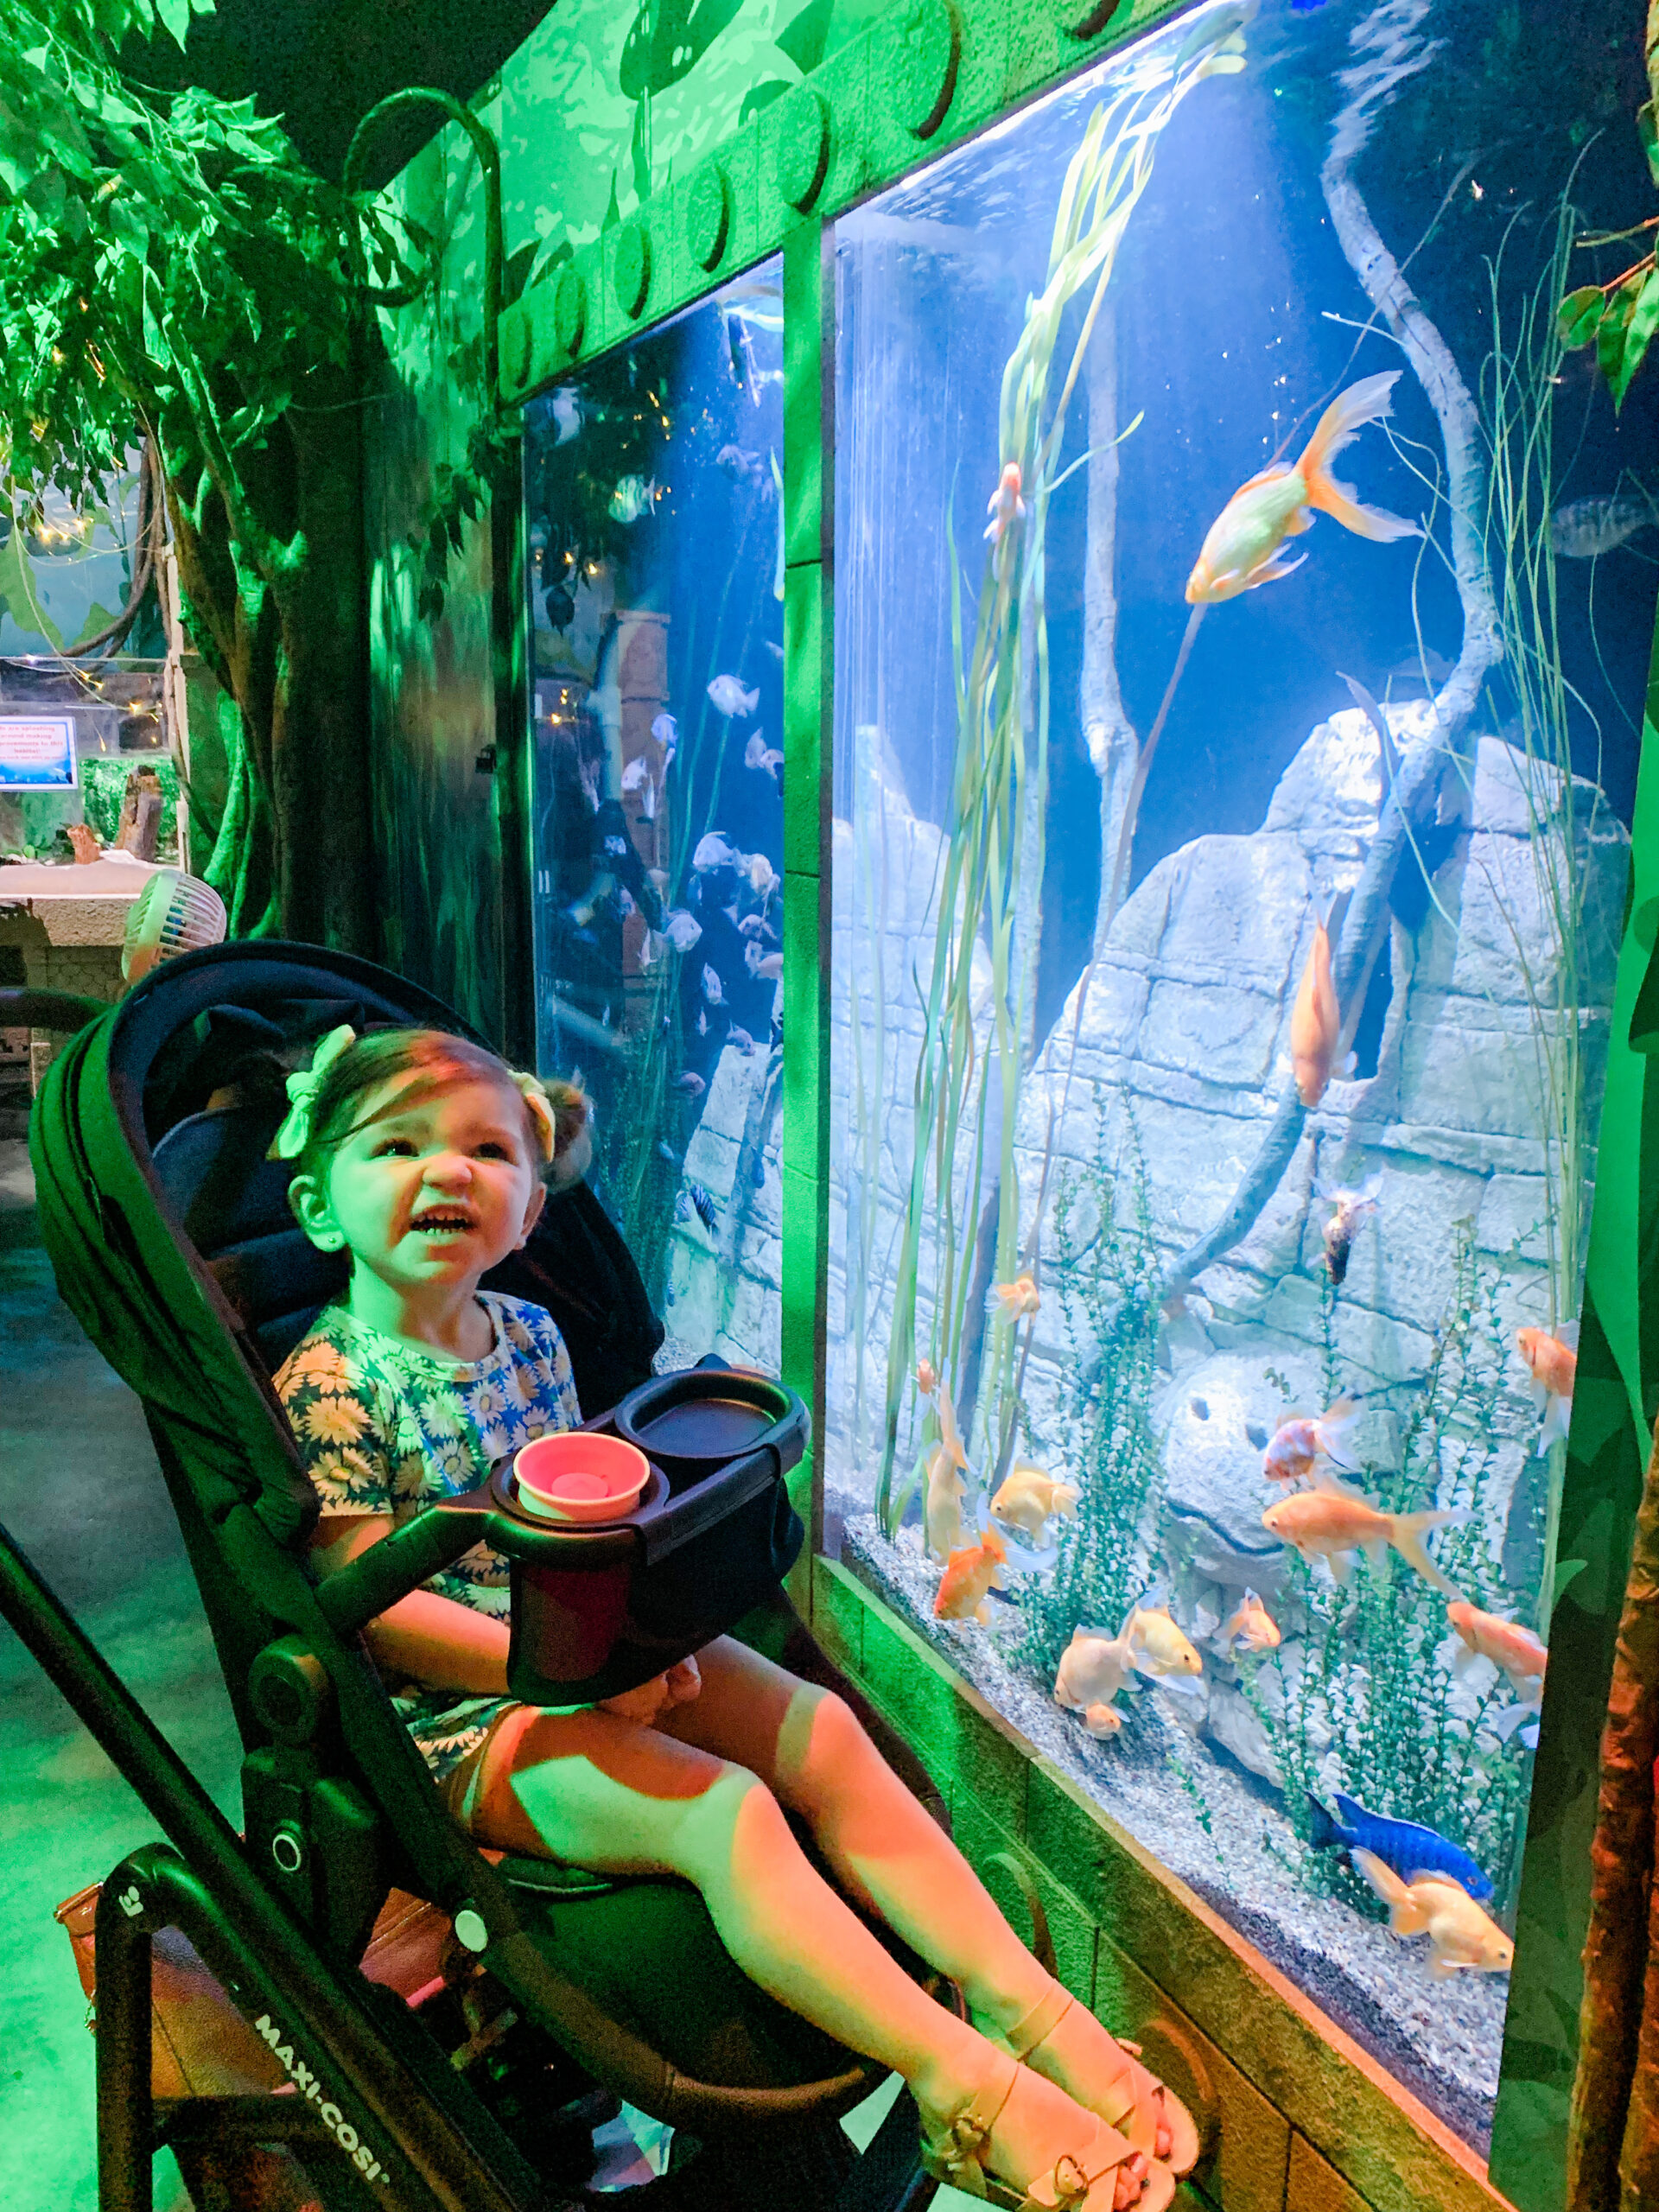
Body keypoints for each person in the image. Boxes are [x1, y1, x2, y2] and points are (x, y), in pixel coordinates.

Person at [270, 1025, 1200, 2212]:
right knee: (730, 1813)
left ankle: (1034, 2008)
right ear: (317, 1205)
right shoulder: (334, 1383)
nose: (449, 1172)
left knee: (818, 1728)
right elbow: (375, 1607)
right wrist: (566, 1666)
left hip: (586, 1654)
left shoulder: (539, 1342)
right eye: (399, 1145)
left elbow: (600, 1522)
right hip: (463, 1724)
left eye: (489, 1150)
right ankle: (960, 2083)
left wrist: (638, 1643)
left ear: (531, 1208)